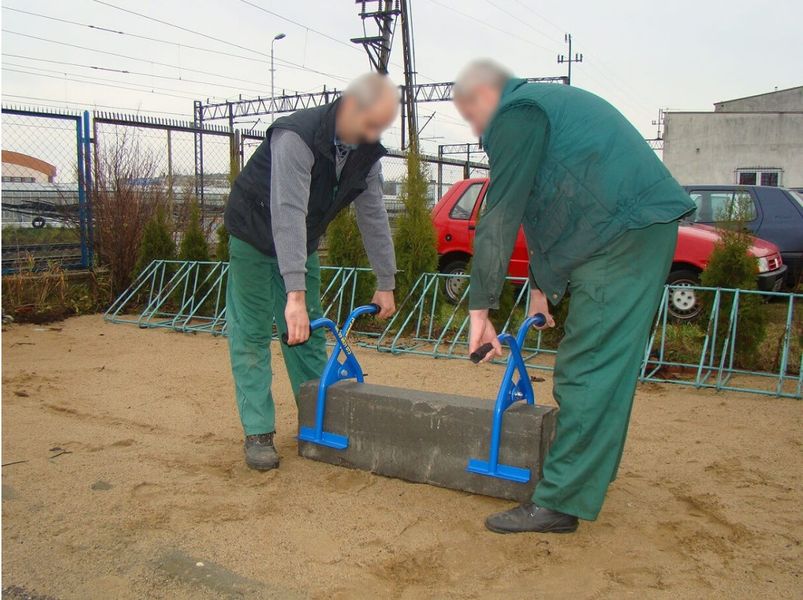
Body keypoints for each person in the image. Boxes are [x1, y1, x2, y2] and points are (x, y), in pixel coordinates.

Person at [453, 60, 695, 533]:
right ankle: (583, 479)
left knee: (588, 367)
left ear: (487, 96)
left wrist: (480, 308)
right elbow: (544, 212)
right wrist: (540, 292)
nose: (475, 128)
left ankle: (560, 501)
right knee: (603, 366)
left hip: (621, 233)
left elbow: (499, 215)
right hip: (622, 229)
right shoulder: (542, 109)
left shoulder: (517, 113)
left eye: (471, 114)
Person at [224, 73, 399, 471]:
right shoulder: (296, 137)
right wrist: (294, 296)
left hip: (300, 240)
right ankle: (258, 432)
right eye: (371, 123)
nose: (374, 134)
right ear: (350, 106)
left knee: (307, 333)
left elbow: (373, 215)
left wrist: (385, 282)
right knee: (251, 334)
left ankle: (316, 421)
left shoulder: (365, 153)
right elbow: (287, 213)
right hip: (254, 233)